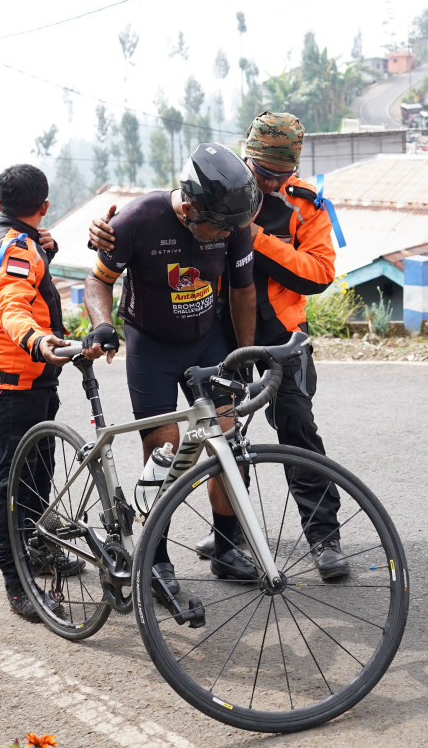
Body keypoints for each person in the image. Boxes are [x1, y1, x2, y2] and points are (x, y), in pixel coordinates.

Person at [90, 113, 349, 580]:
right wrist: (107, 240)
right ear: (247, 158)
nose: (271, 182)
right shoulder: (208, 189)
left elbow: (315, 275)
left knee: (286, 430)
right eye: (263, 172)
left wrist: (252, 236)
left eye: (282, 174)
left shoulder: (302, 205)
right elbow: (132, 242)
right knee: (193, 445)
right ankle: (190, 547)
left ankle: (318, 537)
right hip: (197, 332)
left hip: (271, 333)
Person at [82, 143, 260, 595]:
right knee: (165, 450)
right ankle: (156, 558)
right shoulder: (138, 220)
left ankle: (225, 548)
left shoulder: (232, 221)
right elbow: (98, 280)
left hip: (207, 340)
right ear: (190, 207)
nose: (226, 235)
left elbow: (243, 292)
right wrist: (103, 324)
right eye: (217, 229)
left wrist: (243, 357)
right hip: (152, 346)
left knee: (228, 443)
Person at [0, 163, 96, 621]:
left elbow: (26, 284)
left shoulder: (18, 241)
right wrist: (37, 339)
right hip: (16, 380)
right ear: (44, 206)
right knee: (13, 481)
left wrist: (45, 247)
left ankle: (39, 549)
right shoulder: (16, 247)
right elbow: (11, 304)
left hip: (35, 376)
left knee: (39, 471)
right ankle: (16, 581)